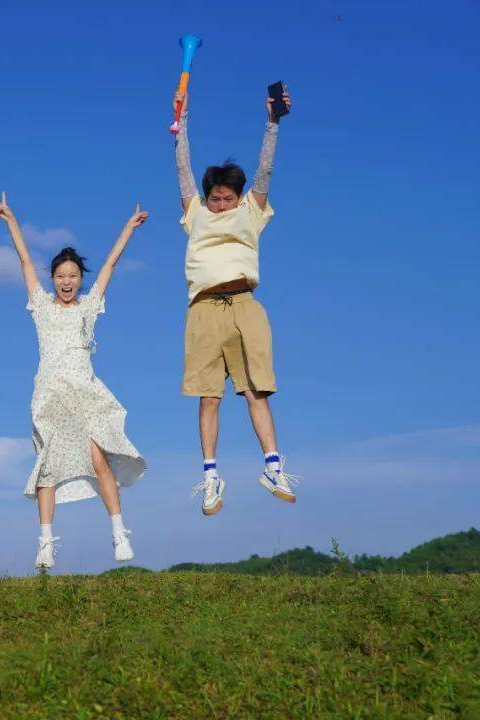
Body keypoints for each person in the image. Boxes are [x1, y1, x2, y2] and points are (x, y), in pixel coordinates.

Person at [0, 192, 148, 569]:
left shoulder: (89, 307)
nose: (66, 282)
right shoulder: (41, 305)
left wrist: (128, 229)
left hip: (84, 392)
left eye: (73, 276)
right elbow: (24, 260)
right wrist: (12, 221)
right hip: (50, 394)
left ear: (80, 280)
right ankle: (45, 543)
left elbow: (110, 264)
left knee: (98, 460)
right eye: (61, 276)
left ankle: (119, 532)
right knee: (47, 467)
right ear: (53, 279)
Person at [173, 85, 298, 516]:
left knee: (256, 390)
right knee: (208, 397)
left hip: (245, 304)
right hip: (203, 309)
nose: (222, 204)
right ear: (206, 198)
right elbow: (182, 166)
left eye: (228, 198)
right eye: (216, 198)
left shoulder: (250, 210)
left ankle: (273, 467)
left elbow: (266, 170)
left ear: (239, 197)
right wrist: (182, 118)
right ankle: (211, 477)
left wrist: (273, 123)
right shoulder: (195, 212)